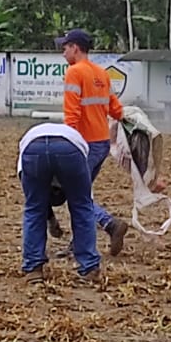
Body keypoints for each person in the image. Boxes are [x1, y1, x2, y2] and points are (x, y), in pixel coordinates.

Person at [52, 28, 129, 256]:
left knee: (76, 195)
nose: (63, 52)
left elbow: (72, 114)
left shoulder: (74, 73)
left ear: (75, 48)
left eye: (65, 47)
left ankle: (110, 224)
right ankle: (78, 244)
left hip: (83, 145)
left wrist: (67, 143)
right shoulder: (101, 73)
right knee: (80, 193)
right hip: (102, 143)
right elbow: (116, 110)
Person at [18, 120, 101, 284]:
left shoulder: (24, 159)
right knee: (81, 208)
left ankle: (33, 269)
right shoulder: (79, 149)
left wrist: (49, 219)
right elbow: (85, 203)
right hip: (70, 148)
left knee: (34, 209)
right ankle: (89, 267)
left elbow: (35, 201)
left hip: (33, 148)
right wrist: (51, 220)